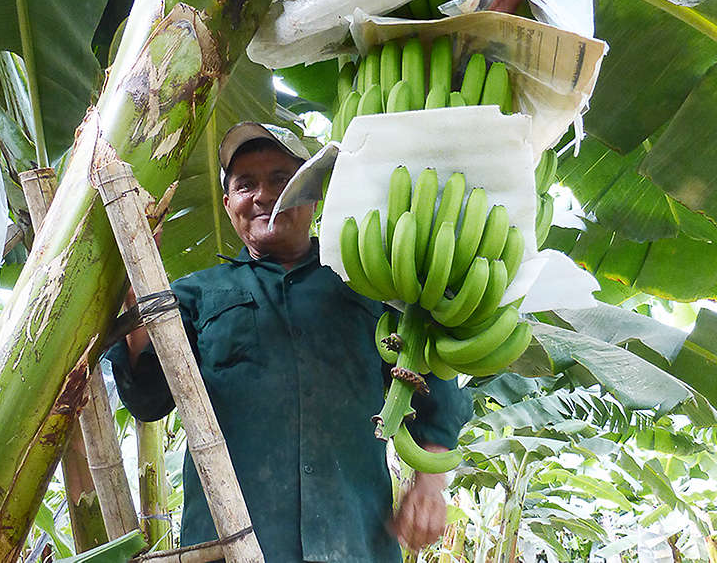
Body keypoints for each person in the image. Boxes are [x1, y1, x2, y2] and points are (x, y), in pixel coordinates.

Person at [104, 122, 472, 562]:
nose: (264, 195)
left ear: (313, 195)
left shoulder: (371, 284)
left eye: (282, 179)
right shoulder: (194, 295)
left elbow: (434, 387)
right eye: (246, 185)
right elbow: (148, 399)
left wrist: (429, 485)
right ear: (228, 204)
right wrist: (136, 294)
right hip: (228, 547)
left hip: (352, 540)